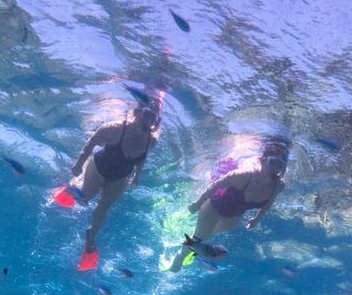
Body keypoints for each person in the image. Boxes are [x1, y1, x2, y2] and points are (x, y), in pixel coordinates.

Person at [56, 94, 161, 270]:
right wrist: (79, 164)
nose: (150, 120)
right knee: (86, 196)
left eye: (154, 117)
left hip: (120, 177)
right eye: (147, 114)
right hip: (98, 168)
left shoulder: (152, 140)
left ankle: (91, 237)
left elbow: (142, 158)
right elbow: (91, 143)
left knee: (105, 206)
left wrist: (137, 176)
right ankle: (72, 186)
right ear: (137, 112)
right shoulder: (115, 128)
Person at [169, 139, 287, 272]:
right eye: (273, 163)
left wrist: (256, 219)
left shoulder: (279, 186)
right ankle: (179, 257)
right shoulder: (243, 175)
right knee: (198, 237)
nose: (275, 169)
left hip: (234, 216)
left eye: (280, 165)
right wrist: (197, 204)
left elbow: (269, 202)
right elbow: (215, 186)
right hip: (215, 206)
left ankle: (191, 247)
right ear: (262, 160)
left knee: (206, 236)